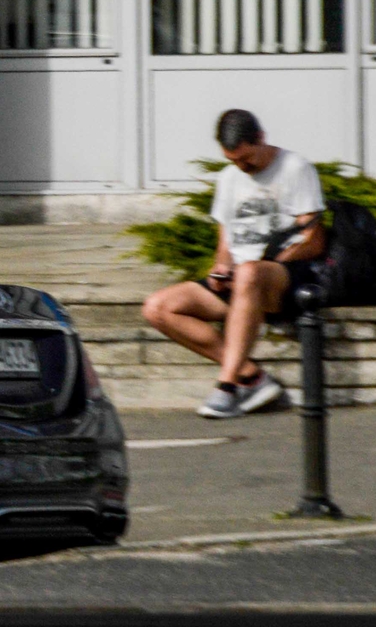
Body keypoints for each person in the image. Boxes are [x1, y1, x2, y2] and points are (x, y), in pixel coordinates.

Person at [140, 109, 327, 419]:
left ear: (261, 139)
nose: (241, 167)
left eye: (247, 159)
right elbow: (226, 240)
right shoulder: (229, 178)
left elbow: (312, 240)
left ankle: (227, 386)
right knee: (157, 307)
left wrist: (264, 263)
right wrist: (221, 269)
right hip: (240, 278)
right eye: (233, 161)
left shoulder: (295, 168)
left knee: (251, 273)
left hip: (280, 276)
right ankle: (252, 377)